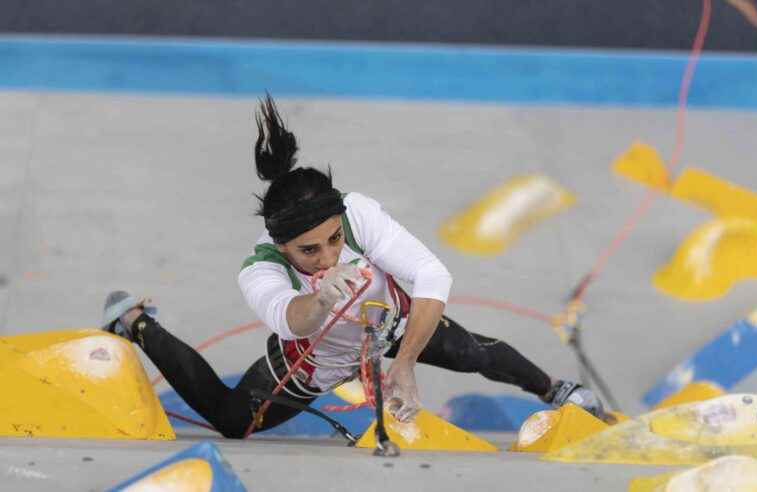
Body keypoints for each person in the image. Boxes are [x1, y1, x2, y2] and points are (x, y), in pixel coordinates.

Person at [101, 95, 605, 439]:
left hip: (389, 323)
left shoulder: (358, 213)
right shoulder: (259, 268)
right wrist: (319, 298)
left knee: (474, 352)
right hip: (317, 358)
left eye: (334, 241)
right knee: (235, 421)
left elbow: (433, 275)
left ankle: (555, 390)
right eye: (309, 252)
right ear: (282, 246)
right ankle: (136, 323)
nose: (328, 257)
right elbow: (285, 319)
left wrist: (404, 360)